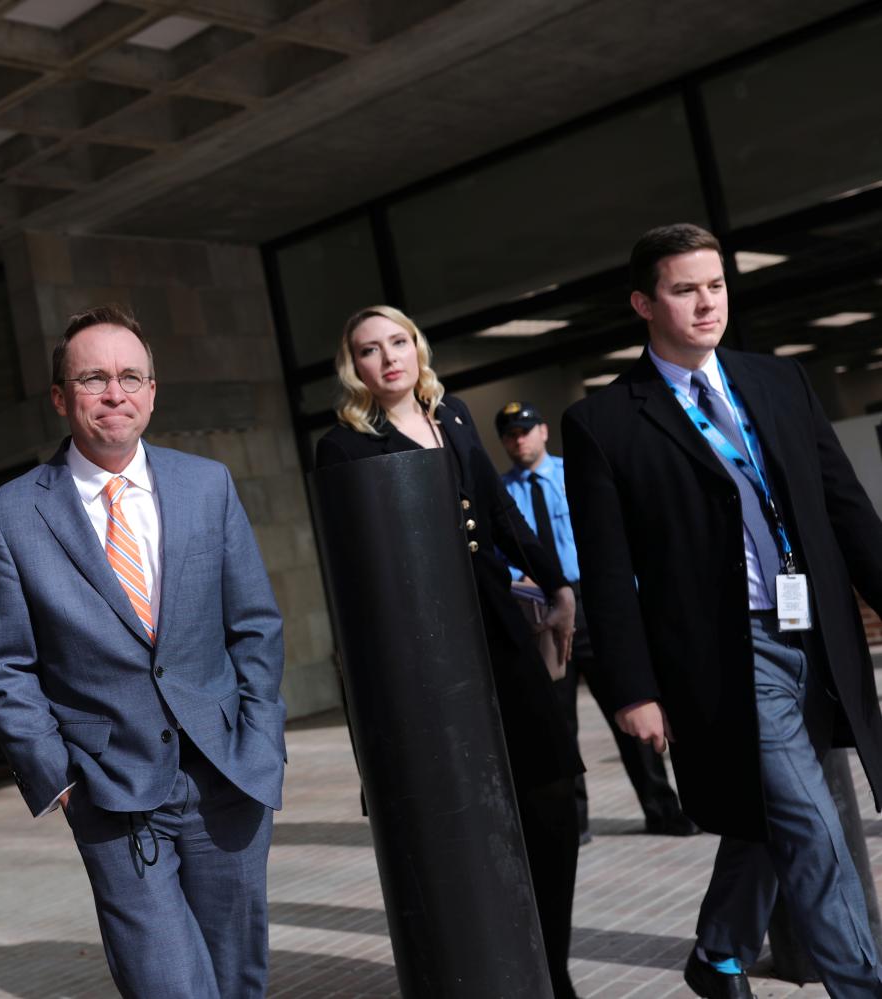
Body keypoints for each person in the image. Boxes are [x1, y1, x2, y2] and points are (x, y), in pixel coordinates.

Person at [563, 223, 882, 999]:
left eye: (714, 285)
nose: (706, 303)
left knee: (773, 815)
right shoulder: (603, 422)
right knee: (811, 824)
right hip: (727, 650)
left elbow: (844, 506)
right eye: (683, 288)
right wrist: (632, 688)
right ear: (643, 302)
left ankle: (718, 950)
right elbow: (608, 572)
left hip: (816, 635)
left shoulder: (778, 380)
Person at [0, 304, 287, 998]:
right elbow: (2, 663)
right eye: (92, 378)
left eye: (130, 376)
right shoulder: (12, 514)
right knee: (168, 984)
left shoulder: (207, 486)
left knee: (237, 981)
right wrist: (58, 775)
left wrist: (262, 739)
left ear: (151, 391)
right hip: (110, 793)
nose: (114, 393)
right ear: (60, 397)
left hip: (227, 780)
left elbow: (254, 625)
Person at [315, 305, 584, 999]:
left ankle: (549, 966)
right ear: (353, 367)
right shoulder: (342, 445)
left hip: (495, 626)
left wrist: (556, 584)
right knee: (461, 805)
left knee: (551, 793)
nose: (387, 358)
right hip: (425, 651)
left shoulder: (455, 415)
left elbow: (499, 514)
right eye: (368, 350)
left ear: (416, 346)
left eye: (398, 342)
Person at [496, 400, 698, 843]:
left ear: (544, 431)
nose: (519, 439)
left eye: (526, 430)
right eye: (510, 434)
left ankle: (662, 809)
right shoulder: (502, 493)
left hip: (596, 605)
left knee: (629, 705)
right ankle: (573, 821)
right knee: (559, 724)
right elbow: (498, 557)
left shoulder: (577, 473)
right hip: (543, 611)